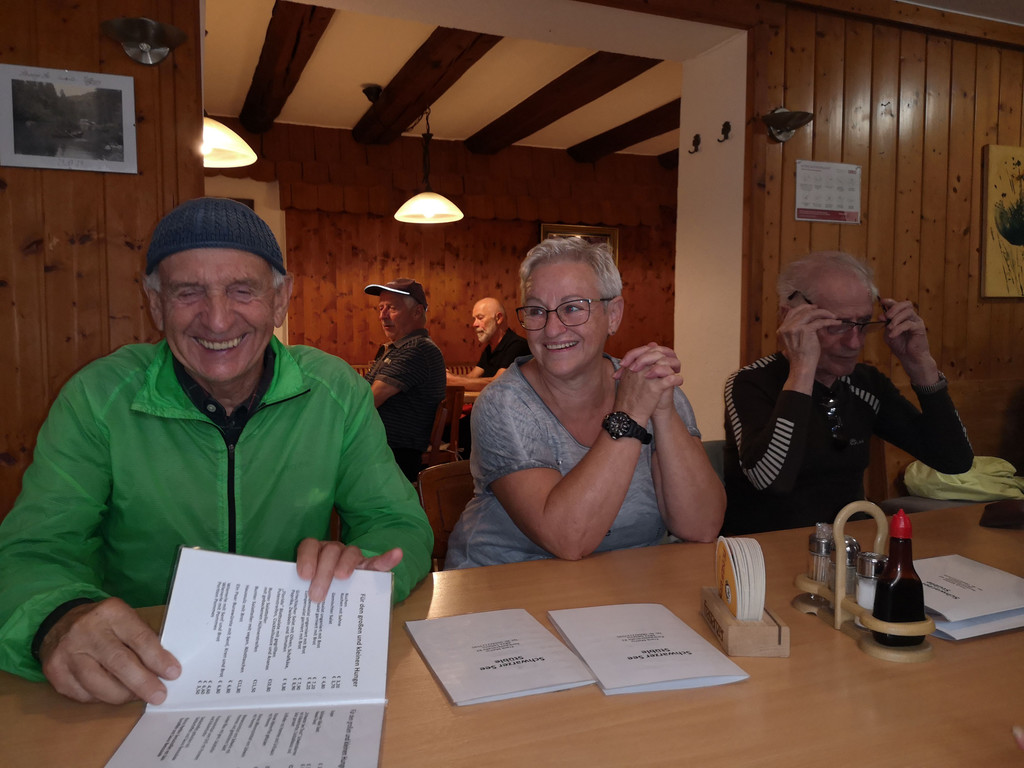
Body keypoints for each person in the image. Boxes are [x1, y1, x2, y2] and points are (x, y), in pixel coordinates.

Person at [0, 197, 432, 705]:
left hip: (294, 660)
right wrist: (59, 618)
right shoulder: (97, 398)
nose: (219, 320)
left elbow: (396, 521)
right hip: (137, 675)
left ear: (280, 299)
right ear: (155, 304)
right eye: (188, 293)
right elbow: (34, 550)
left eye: (242, 290)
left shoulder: (334, 392)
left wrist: (365, 571)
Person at [444, 237, 725, 569]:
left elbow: (702, 526)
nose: (552, 329)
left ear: (613, 315)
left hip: (622, 587)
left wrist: (663, 410)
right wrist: (629, 414)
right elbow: (568, 539)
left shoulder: (648, 388)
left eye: (573, 308)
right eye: (536, 311)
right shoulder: (503, 404)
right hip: (503, 586)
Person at [722, 251, 974, 535]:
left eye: (863, 323)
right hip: (767, 547)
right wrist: (803, 370)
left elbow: (954, 460)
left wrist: (922, 367)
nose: (854, 343)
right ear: (790, 317)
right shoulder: (750, 382)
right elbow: (771, 480)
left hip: (848, 545)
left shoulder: (866, 385)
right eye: (838, 325)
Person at [363, 278, 447, 482]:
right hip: (379, 448)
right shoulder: (396, 348)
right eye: (380, 308)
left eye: (391, 308)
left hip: (394, 455)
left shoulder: (417, 349)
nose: (382, 315)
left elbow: (367, 400)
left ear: (417, 312)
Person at [446, 297, 530, 391]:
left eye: (480, 318)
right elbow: (471, 377)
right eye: (474, 319)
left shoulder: (517, 345)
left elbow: (498, 384)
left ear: (498, 318)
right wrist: (450, 376)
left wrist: (453, 380)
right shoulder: (490, 348)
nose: (474, 324)